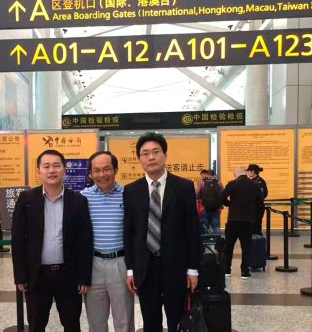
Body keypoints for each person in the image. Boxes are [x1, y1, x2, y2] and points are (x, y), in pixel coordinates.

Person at [123, 132, 200, 332]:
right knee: (150, 322)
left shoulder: (183, 187)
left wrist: (193, 269)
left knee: (177, 319)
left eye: (156, 152)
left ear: (165, 155)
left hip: (176, 267)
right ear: (139, 158)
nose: (151, 157)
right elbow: (129, 233)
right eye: (145, 153)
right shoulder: (131, 191)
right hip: (145, 269)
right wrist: (130, 269)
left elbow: (192, 230)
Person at [12, 149, 93, 332]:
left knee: (72, 324)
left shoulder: (78, 201)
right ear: (39, 170)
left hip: (68, 275)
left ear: (64, 169)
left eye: (56, 166)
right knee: (36, 324)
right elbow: (17, 241)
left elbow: (85, 242)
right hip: (37, 275)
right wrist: (20, 276)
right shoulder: (27, 199)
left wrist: (84, 277)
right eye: (46, 166)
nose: (51, 170)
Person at [81, 151, 134, 332]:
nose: (101, 175)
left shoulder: (128, 196)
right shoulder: (83, 197)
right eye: (96, 170)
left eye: (106, 169)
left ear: (115, 170)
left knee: (124, 320)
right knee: (96, 321)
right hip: (93, 264)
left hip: (120, 263)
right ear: (90, 174)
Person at [219, 166, 263, 280]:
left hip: (233, 220)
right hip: (248, 221)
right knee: (246, 247)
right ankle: (245, 271)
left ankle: (227, 270)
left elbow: (222, 197)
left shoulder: (232, 184)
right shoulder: (255, 185)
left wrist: (230, 204)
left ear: (237, 174)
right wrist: (256, 218)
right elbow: (260, 205)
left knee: (229, 246)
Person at [198, 169, 223, 235]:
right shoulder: (219, 182)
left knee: (205, 225)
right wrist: (220, 206)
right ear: (214, 174)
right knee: (216, 225)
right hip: (216, 208)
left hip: (205, 208)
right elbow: (223, 193)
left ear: (207, 174)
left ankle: (206, 242)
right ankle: (216, 243)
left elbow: (197, 194)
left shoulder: (202, 182)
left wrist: (201, 203)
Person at [246, 164, 268, 235]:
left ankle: (258, 243)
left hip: (257, 208)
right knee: (251, 227)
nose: (247, 172)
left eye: (248, 171)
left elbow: (263, 194)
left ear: (253, 171)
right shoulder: (252, 181)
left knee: (256, 227)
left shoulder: (260, 182)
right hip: (252, 207)